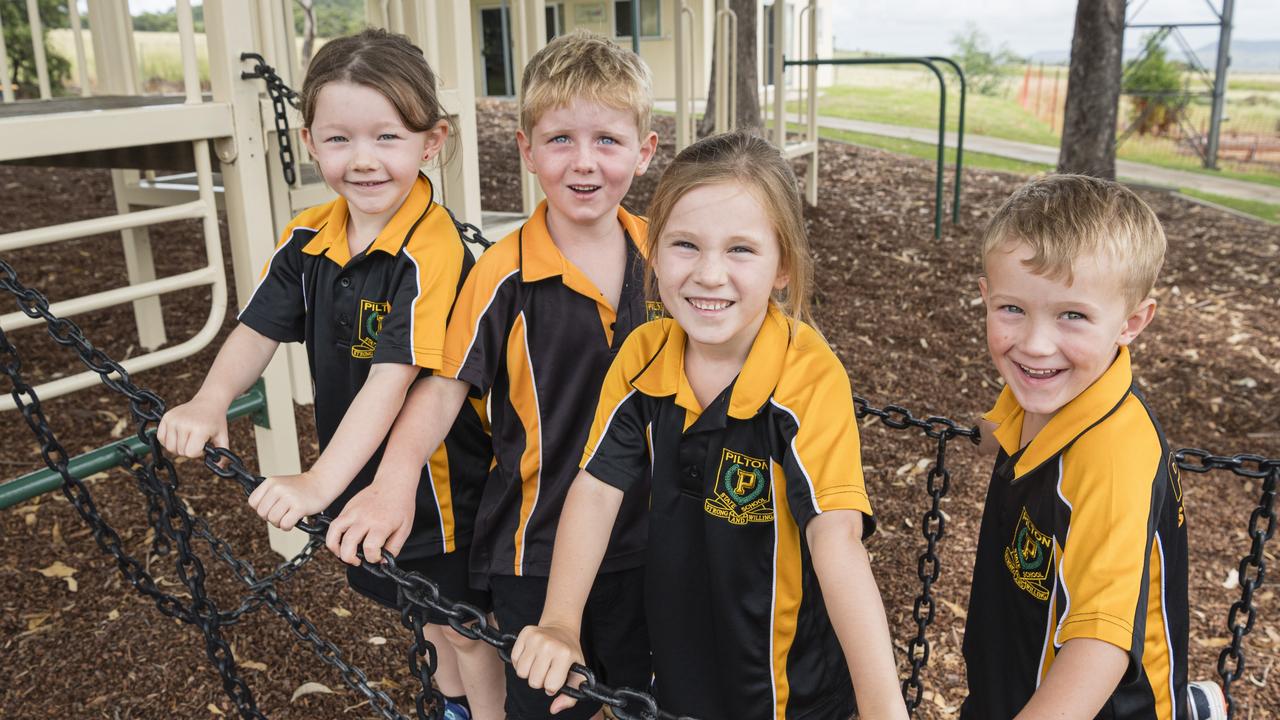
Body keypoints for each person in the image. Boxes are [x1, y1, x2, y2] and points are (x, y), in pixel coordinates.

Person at [155, 28, 503, 720]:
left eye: (387, 138)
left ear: (431, 141)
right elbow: (255, 330)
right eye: (339, 140)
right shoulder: (310, 234)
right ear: (310, 142)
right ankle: (454, 709)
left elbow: (393, 380)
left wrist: (319, 481)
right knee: (423, 616)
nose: (363, 161)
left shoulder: (430, 253)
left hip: (437, 484)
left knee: (466, 627)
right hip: (360, 473)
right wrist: (210, 398)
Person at [510, 131, 908, 720]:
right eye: (685, 245)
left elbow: (837, 539)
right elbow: (596, 490)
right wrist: (562, 622)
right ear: (654, 250)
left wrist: (883, 707)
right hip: (679, 659)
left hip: (787, 687)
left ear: (783, 266)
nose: (709, 274)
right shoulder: (645, 353)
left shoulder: (806, 377)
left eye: (741, 250)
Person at [327, 30, 659, 720]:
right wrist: (392, 488)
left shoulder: (667, 255)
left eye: (608, 140)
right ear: (527, 150)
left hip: (644, 538)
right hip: (532, 546)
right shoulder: (502, 272)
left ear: (645, 151)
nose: (585, 163)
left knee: (635, 695)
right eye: (561, 139)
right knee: (539, 702)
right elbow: (442, 388)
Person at [962, 174, 1189, 719]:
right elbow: (999, 430)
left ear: (1131, 322)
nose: (1035, 344)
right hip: (1014, 681)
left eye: (1073, 315)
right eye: (1012, 309)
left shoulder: (1113, 455)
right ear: (986, 296)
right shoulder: (1038, 393)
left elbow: (1101, 648)